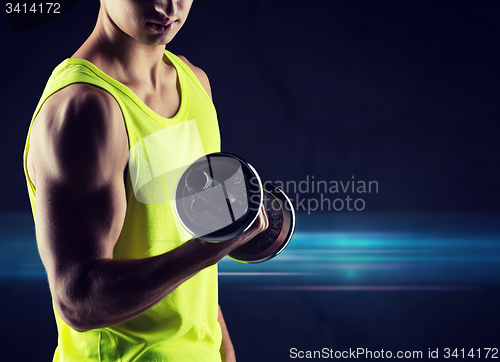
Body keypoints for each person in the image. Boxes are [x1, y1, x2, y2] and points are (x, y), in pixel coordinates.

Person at [22, 0, 268, 361]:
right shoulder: (84, 108)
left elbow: (186, 262)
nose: (168, 5)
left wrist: (223, 352)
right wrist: (208, 250)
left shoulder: (194, 82)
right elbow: (78, 300)